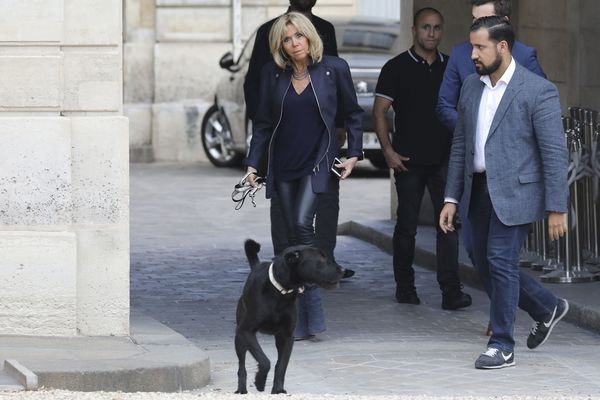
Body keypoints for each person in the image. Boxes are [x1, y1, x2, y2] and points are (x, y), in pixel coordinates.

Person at [439, 16, 569, 369]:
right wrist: (451, 197)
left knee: (500, 260)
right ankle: (547, 307)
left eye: (480, 47)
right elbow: (460, 145)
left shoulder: (537, 90)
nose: (473, 54)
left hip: (516, 192)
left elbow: (554, 151)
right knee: (483, 261)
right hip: (476, 189)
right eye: (471, 47)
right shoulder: (470, 86)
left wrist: (558, 206)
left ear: (502, 46)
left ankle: (502, 344)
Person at [244, 12, 363, 340]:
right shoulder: (273, 74)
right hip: (283, 166)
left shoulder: (334, 69)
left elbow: (352, 113)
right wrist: (254, 165)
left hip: (319, 163)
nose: (294, 43)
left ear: (310, 37)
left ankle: (324, 287)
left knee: (300, 226)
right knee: (287, 244)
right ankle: (301, 320)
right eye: (286, 38)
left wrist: (354, 153)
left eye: (299, 36)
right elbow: (264, 124)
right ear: (279, 44)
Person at [372, 8, 471, 310]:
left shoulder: (452, 67)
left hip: (445, 161)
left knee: (449, 225)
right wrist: (387, 150)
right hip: (408, 160)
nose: (432, 33)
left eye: (437, 28)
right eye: (426, 27)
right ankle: (405, 287)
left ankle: (451, 292)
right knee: (407, 226)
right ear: (414, 30)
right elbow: (379, 112)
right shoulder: (396, 67)